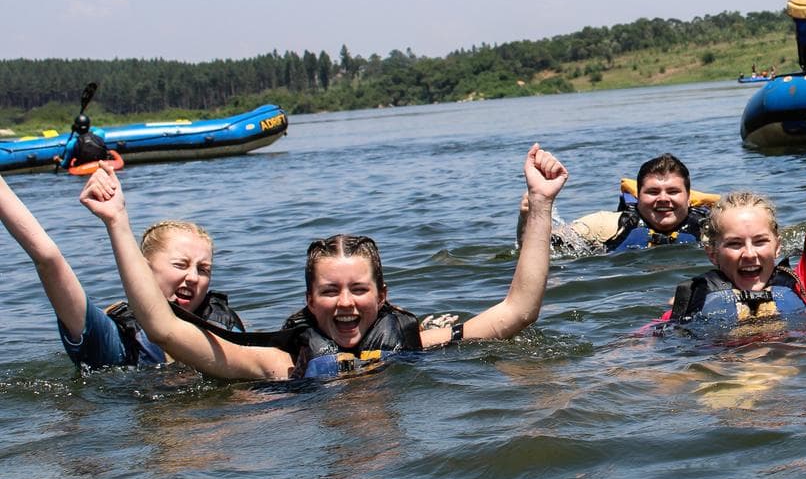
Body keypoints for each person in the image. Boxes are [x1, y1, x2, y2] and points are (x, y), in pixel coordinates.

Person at [78, 142, 568, 380]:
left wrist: (541, 204)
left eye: (358, 290)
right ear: (310, 303)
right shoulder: (279, 363)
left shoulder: (413, 341)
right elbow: (163, 329)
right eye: (330, 292)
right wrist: (117, 222)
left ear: (382, 296)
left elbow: (518, 312)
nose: (347, 304)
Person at [666, 32, 806, 323]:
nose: (749, 254)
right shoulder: (693, 305)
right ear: (713, 253)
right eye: (735, 244)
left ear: (777, 245)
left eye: (760, 241)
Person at [1, 170, 246, 369]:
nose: (193, 277)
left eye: (203, 269)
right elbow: (48, 260)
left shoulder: (225, 326)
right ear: (142, 269)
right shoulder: (116, 341)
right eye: (180, 265)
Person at [553, 154, 712, 253]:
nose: (663, 198)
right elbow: (549, 242)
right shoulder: (606, 226)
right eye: (653, 192)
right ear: (638, 196)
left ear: (689, 197)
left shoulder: (712, 230)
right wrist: (536, 211)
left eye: (672, 192)